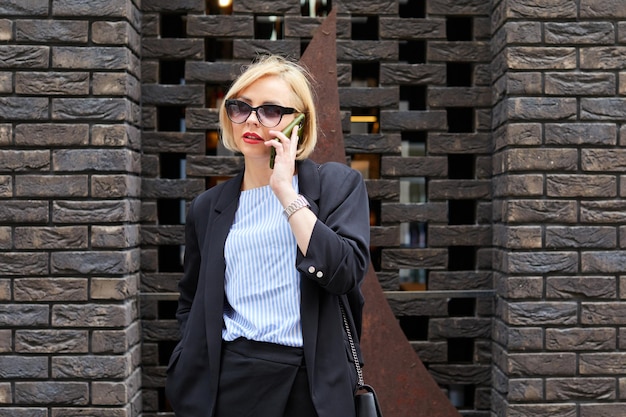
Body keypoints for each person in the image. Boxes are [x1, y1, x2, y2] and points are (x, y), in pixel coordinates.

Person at [165, 54, 371, 417]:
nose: (252, 120)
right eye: (240, 107)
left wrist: (286, 193)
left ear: (300, 125)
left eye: (271, 111)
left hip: (309, 384)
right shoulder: (207, 207)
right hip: (229, 380)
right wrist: (188, 353)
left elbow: (344, 273)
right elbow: (191, 298)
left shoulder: (338, 185)